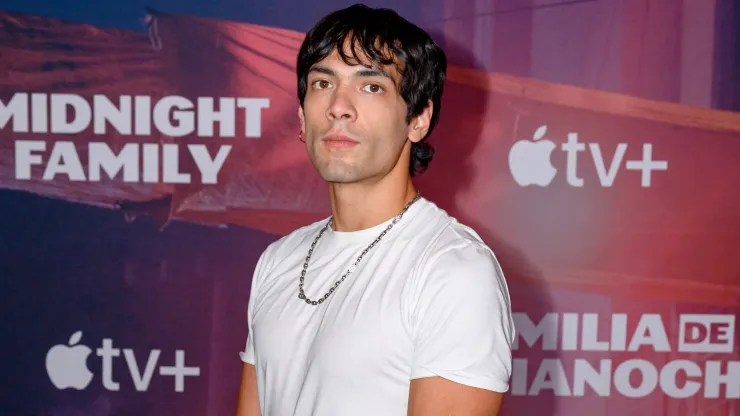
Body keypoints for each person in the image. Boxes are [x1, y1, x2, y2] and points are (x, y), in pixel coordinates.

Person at [236, 4, 514, 415]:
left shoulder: (452, 270)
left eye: (371, 87)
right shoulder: (278, 260)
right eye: (322, 83)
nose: (339, 107)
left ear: (418, 119)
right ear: (300, 116)